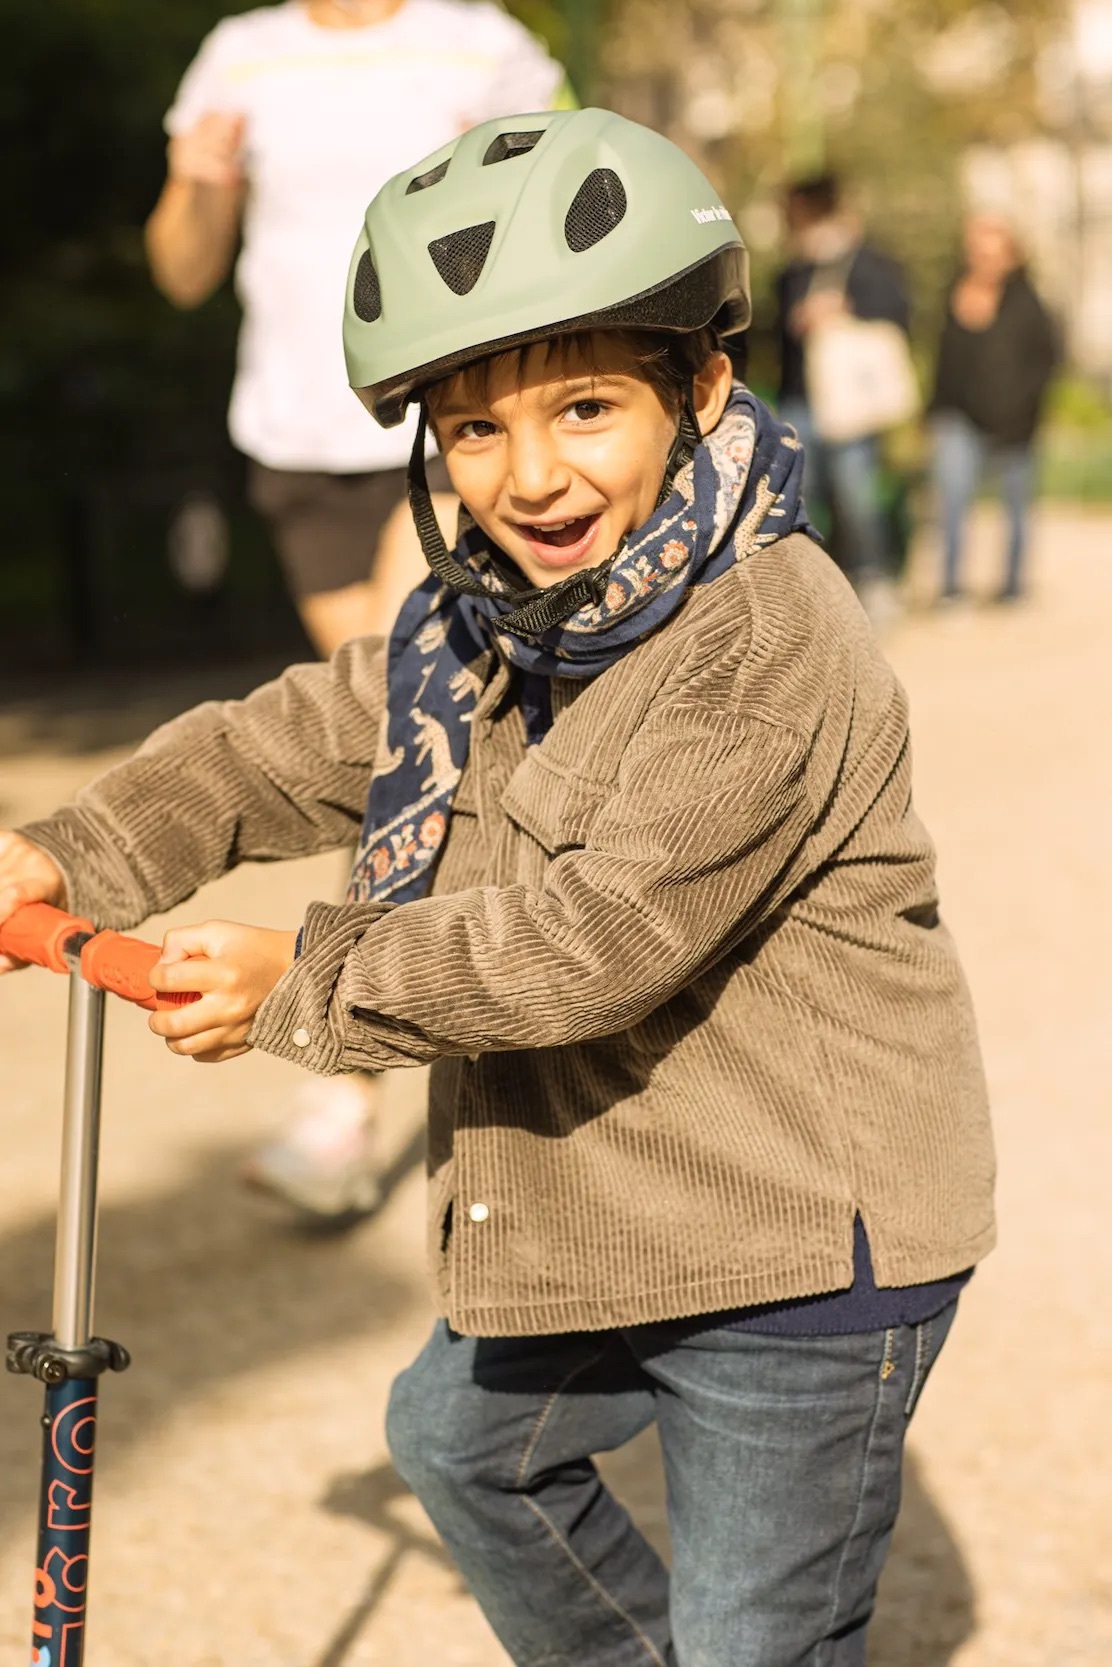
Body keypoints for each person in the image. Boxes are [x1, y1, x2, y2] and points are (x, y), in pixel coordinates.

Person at [0, 110, 995, 1663]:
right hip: (604, 1209)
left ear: (702, 389)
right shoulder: (486, 615)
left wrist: (304, 978)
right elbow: (288, 744)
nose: (530, 476)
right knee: (465, 1444)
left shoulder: (762, 638)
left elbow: (590, 943)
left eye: (586, 407)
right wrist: (75, 846)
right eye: (473, 430)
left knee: (758, 1633)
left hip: (796, 1247)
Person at [145, 0, 574, 1216]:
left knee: (408, 716)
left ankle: (346, 1091)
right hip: (298, 433)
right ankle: (491, 953)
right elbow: (182, 271)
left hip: (446, 422)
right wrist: (197, 177)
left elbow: (566, 215)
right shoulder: (241, 51)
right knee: (412, 735)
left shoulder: (474, 39)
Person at [775, 172, 911, 627]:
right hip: (801, 399)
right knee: (804, 497)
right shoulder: (793, 269)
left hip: (849, 404)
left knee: (858, 497)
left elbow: (896, 310)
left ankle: (875, 576)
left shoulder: (864, 261)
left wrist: (842, 308)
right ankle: (819, 582)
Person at [929, 213, 1059, 603]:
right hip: (957, 416)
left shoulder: (1028, 303)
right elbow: (944, 360)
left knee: (1016, 507)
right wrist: (932, 412)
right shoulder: (953, 293)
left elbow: (1046, 361)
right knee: (951, 499)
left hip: (1015, 422)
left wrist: (1025, 411)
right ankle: (952, 587)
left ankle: (1012, 586)